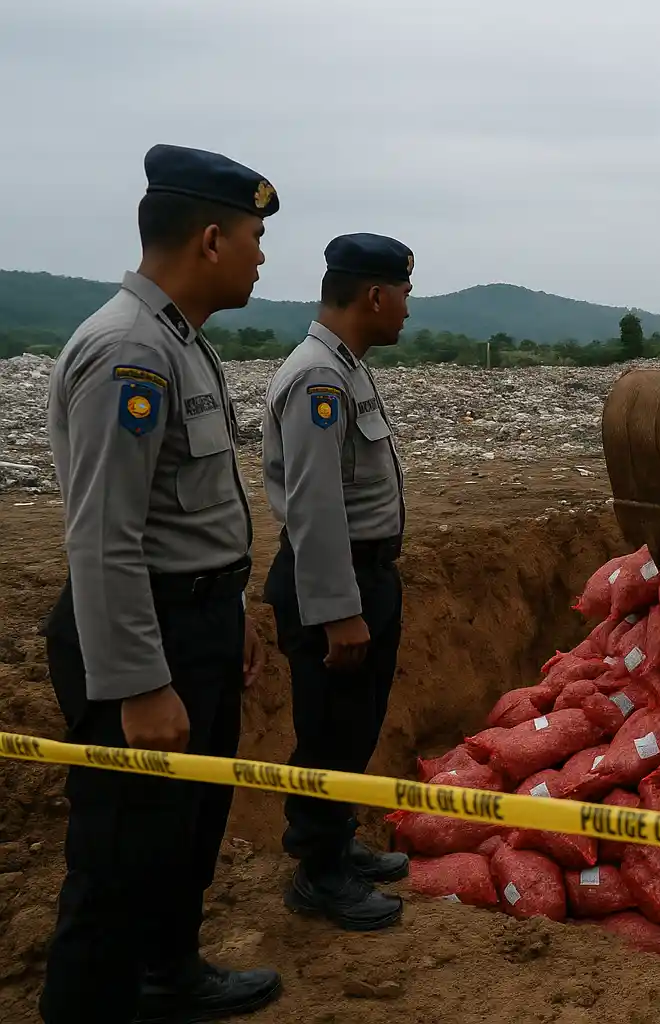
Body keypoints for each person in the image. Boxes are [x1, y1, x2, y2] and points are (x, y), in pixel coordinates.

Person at [40, 144, 283, 1023]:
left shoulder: (181, 343)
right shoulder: (128, 354)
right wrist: (140, 683)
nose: (264, 255)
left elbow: (190, 513)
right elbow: (104, 537)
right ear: (212, 239)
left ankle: (167, 974)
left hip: (198, 624)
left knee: (185, 833)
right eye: (256, 237)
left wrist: (234, 609)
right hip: (145, 642)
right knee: (118, 858)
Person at [261, 233, 411, 930]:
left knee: (352, 728)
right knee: (327, 731)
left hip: (362, 577)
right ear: (375, 295)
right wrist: (338, 612)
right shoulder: (319, 377)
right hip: (337, 583)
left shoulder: (345, 367)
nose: (408, 308)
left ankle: (338, 846)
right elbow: (315, 507)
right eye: (403, 293)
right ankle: (317, 873)